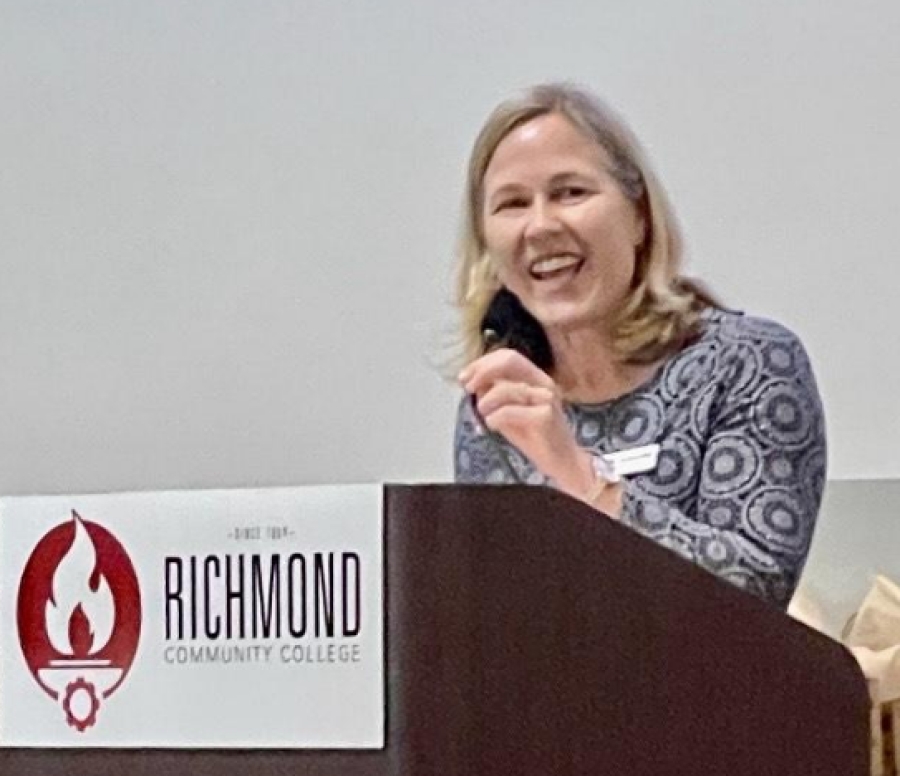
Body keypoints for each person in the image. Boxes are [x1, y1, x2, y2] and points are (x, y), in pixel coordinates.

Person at [452, 83, 825, 610]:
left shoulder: (748, 363)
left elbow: (754, 592)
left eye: (570, 193)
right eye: (512, 204)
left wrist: (579, 475)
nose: (540, 226)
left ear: (639, 217)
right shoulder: (499, 403)